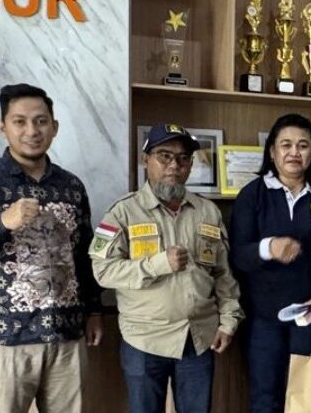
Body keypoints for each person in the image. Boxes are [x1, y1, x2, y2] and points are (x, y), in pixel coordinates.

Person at [0, 84, 103, 413]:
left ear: (54, 127)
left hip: (67, 334)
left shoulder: (71, 186)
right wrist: (2, 221)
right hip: (7, 339)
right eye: (20, 121)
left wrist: (94, 311)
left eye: (41, 121)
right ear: (2, 127)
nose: (32, 131)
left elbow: (84, 254)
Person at [92, 123, 243, 413]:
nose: (174, 165)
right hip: (145, 340)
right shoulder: (123, 212)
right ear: (145, 159)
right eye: (164, 156)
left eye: (183, 158)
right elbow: (102, 271)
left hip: (198, 338)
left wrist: (228, 321)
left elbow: (223, 275)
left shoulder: (207, 211)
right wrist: (158, 264)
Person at [230, 113, 311, 413]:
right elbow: (238, 255)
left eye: (303, 145)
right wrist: (269, 247)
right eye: (286, 145)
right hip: (262, 318)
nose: (294, 152)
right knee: (265, 399)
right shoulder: (252, 195)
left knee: (310, 400)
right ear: (272, 152)